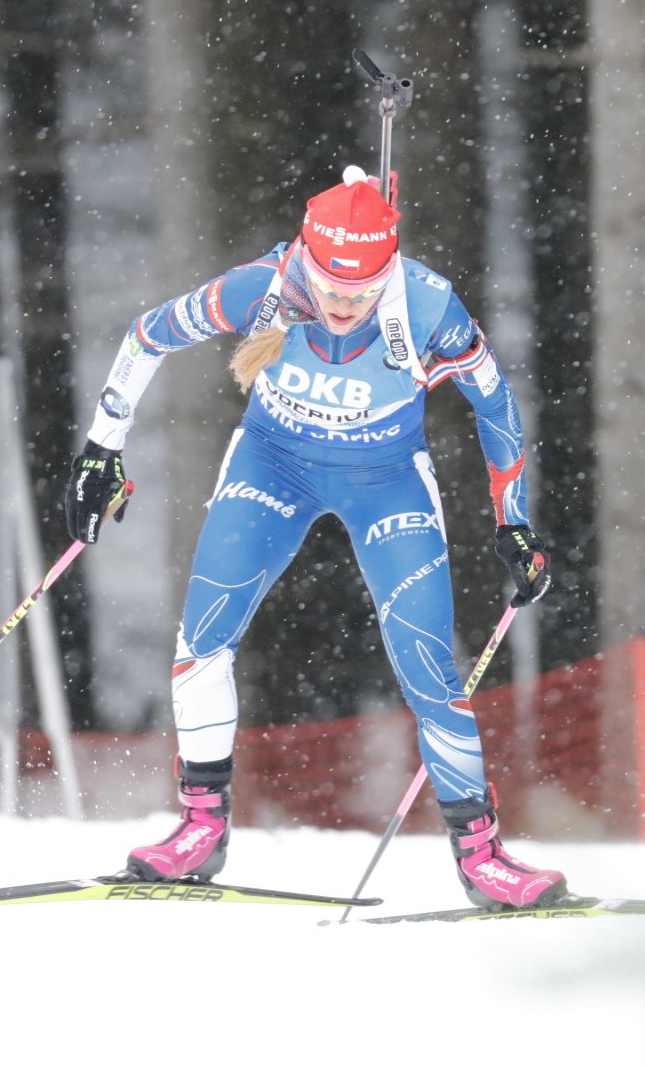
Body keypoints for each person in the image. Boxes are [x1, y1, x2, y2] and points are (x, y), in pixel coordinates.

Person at [63, 165, 563, 910]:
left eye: (362, 293)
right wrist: (103, 446)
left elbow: (494, 403)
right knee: (202, 640)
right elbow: (148, 336)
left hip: (386, 480)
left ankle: (482, 857)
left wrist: (513, 521)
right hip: (274, 465)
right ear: (305, 258)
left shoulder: (428, 304)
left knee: (429, 667)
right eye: (330, 287)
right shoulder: (259, 288)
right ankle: (201, 827)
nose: (342, 306)